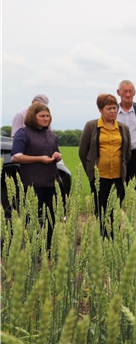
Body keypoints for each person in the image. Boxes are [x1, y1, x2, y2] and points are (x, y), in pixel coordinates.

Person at [79, 94, 131, 238]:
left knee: (115, 209)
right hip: (99, 177)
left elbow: (127, 153)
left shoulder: (123, 128)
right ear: (100, 110)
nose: (113, 111)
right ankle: (104, 238)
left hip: (118, 177)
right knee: (101, 210)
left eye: (115, 108)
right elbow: (83, 152)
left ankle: (114, 238)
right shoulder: (91, 126)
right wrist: (91, 171)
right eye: (109, 108)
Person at [11, 102, 62, 250]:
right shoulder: (23, 133)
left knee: (52, 218)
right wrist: (39, 158)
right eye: (42, 116)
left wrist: (57, 155)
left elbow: (56, 152)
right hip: (33, 184)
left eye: (47, 115)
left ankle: (49, 248)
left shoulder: (51, 134)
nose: (46, 119)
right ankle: (29, 250)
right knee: (30, 219)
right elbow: (16, 156)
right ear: (33, 117)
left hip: (52, 182)